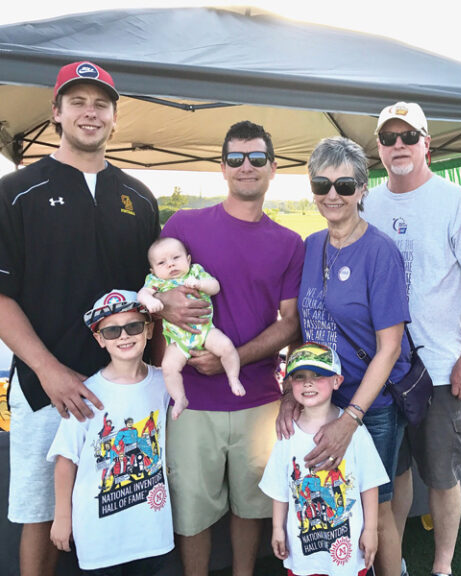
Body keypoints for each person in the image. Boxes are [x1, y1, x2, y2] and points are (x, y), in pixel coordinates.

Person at [0, 60, 160, 576]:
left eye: (101, 104)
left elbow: (150, 293)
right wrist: (49, 371)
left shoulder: (139, 198)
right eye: (77, 102)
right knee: (41, 513)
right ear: (56, 112)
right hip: (45, 386)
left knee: (127, 499)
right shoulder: (16, 191)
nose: (90, 113)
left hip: (125, 386)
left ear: (116, 117)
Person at [156, 120, 305, 576]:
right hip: (191, 404)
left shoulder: (289, 243)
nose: (246, 167)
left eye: (257, 158)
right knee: (193, 513)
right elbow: (153, 291)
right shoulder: (183, 225)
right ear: (222, 167)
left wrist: (231, 358)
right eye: (236, 158)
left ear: (273, 169)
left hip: (256, 399)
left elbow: (291, 323)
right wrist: (164, 303)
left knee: (251, 508)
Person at [362, 102, 461, 576]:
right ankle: (392, 564)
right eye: (389, 138)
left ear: (426, 144)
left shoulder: (456, 201)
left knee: (441, 475)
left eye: (409, 137)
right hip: (382, 367)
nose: (399, 145)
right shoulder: (368, 202)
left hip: (439, 367)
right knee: (391, 475)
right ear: (378, 148)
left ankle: (442, 567)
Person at [278, 136, 411, 576]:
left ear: (363, 188)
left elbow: (390, 346)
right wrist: (290, 393)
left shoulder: (380, 252)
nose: (332, 194)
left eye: (345, 185)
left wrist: (350, 418)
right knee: (330, 497)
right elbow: (300, 328)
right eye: (322, 183)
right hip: (319, 400)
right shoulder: (310, 245)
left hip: (367, 406)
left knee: (378, 505)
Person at [48, 290, 173, 574]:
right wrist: (62, 517)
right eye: (112, 330)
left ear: (149, 329)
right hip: (99, 536)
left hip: (152, 532)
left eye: (133, 326)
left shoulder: (166, 384)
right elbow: (65, 459)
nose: (124, 336)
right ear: (99, 339)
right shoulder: (87, 393)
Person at [261, 342, 389, 576]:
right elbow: (279, 488)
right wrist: (277, 528)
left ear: (337, 381)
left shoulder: (354, 431)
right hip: (303, 551)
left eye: (318, 375)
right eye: (300, 377)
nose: (308, 382)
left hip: (346, 550)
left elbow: (369, 484)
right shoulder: (287, 433)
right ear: (289, 383)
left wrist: (371, 529)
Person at [138, 236, 245, 419]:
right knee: (168, 367)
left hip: (205, 331)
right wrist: (150, 300)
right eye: (162, 263)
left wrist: (201, 284)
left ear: (188, 259)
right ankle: (180, 398)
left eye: (176, 258)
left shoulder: (195, 273)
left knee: (227, 347)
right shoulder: (156, 282)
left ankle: (233, 378)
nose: (170, 265)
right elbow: (142, 293)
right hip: (178, 340)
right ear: (153, 270)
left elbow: (215, 286)